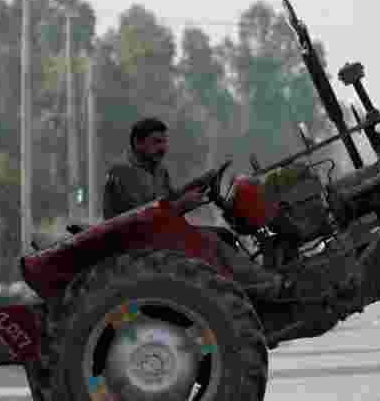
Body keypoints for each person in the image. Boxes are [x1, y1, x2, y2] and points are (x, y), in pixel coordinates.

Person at [102, 117, 289, 301]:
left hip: (161, 233)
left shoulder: (158, 169)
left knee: (224, 235)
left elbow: (167, 200)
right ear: (138, 143)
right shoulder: (122, 172)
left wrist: (197, 183)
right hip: (139, 246)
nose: (163, 148)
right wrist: (182, 205)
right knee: (210, 241)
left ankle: (248, 287)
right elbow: (142, 220)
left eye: (165, 142)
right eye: (156, 142)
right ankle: (266, 287)